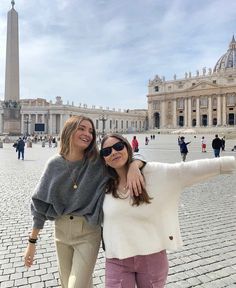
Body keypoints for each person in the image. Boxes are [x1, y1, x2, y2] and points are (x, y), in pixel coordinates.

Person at [100, 133, 236, 288]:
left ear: (127, 147)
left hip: (151, 257)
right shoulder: (101, 182)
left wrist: (229, 162)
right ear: (103, 159)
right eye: (106, 151)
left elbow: (188, 169)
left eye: (118, 147)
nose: (113, 152)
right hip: (117, 259)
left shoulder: (155, 173)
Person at [24, 116, 145, 288]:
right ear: (69, 130)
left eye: (90, 131)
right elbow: (39, 205)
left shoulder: (98, 162)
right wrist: (32, 243)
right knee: (67, 284)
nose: (87, 134)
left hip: (88, 233)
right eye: (81, 128)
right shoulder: (54, 164)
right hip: (61, 233)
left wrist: (135, 166)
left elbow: (127, 155)